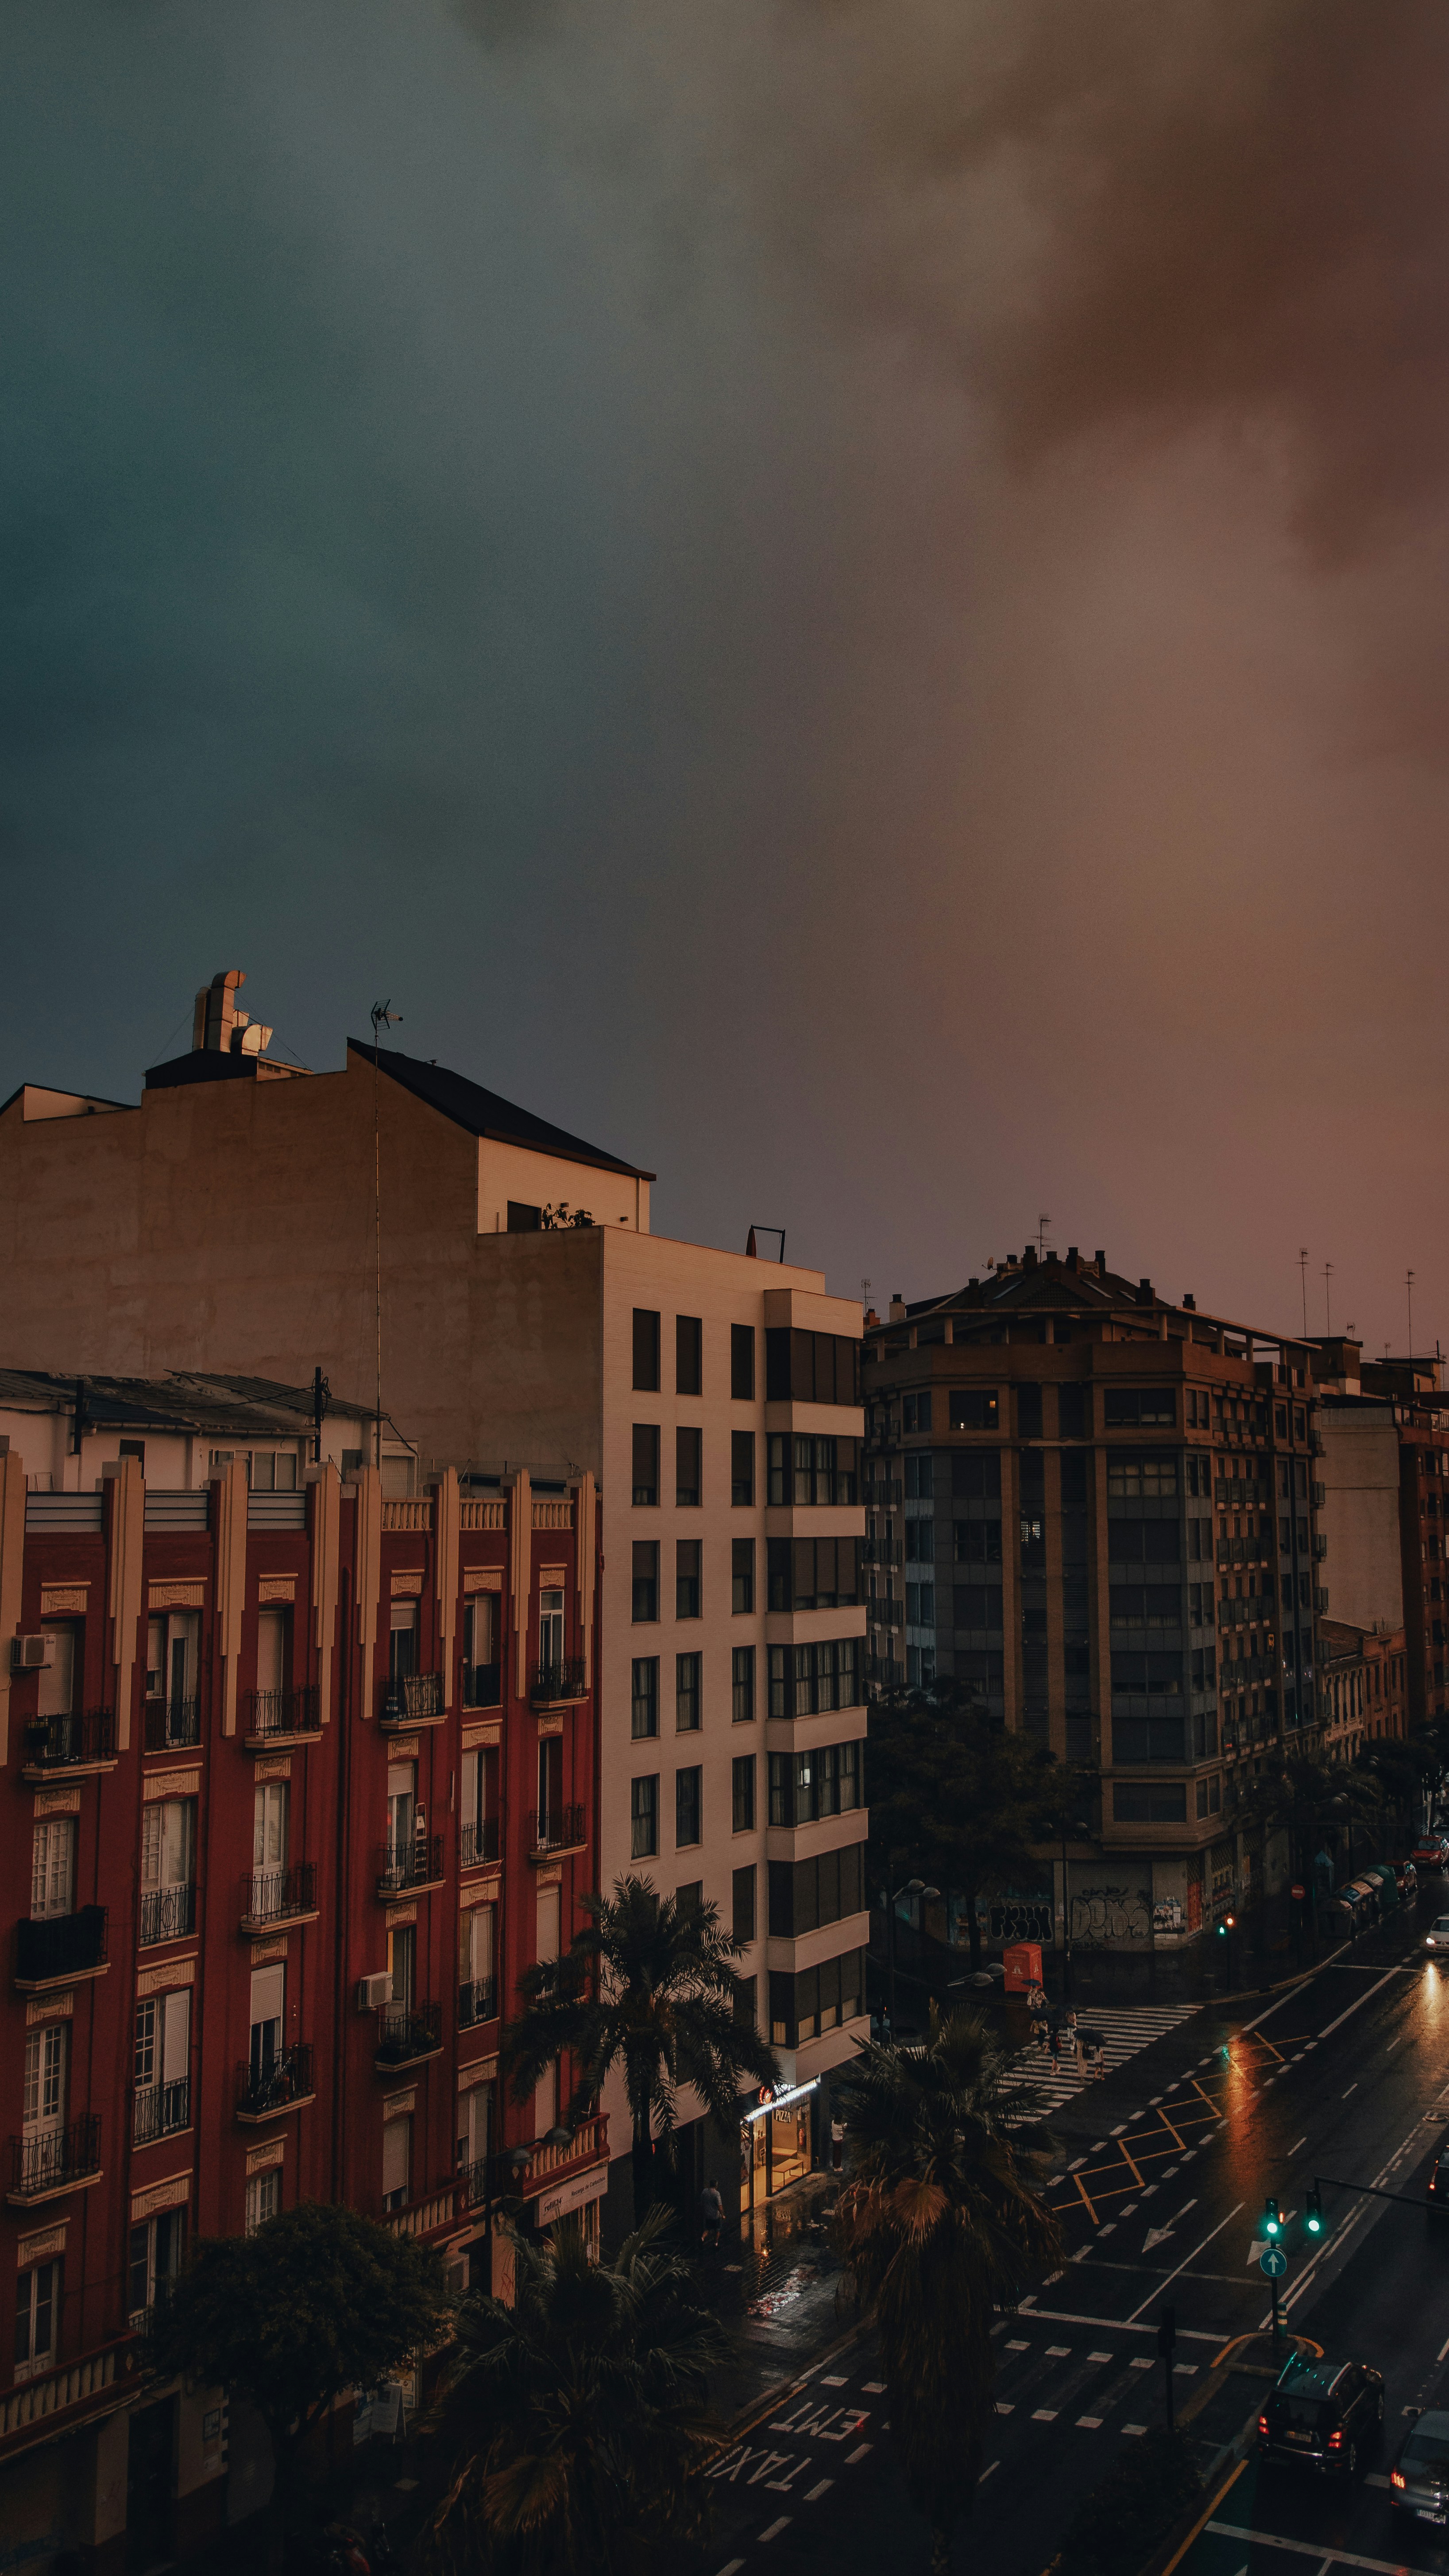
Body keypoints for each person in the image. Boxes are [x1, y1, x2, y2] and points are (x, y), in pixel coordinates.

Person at [699, 2179, 724, 2249]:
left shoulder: (705, 2191)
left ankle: (702, 2238)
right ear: (716, 2185)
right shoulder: (717, 2194)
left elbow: (701, 2201)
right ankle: (716, 2244)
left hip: (708, 2215)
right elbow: (720, 2206)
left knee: (707, 2229)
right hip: (716, 2216)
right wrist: (722, 2215)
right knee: (717, 2230)